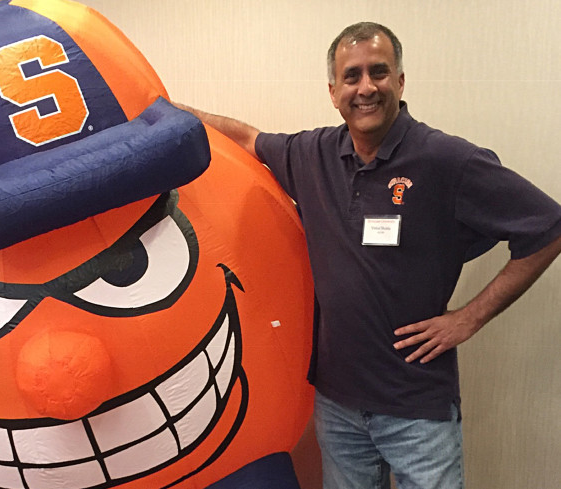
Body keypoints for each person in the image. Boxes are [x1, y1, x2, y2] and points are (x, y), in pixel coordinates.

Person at [175, 22, 561, 489]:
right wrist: (162, 111)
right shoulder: (313, 153)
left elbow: (547, 226)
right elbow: (245, 138)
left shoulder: (446, 160)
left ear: (399, 81)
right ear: (333, 91)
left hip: (417, 412)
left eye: (378, 72)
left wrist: (468, 318)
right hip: (338, 409)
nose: (366, 88)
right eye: (352, 76)